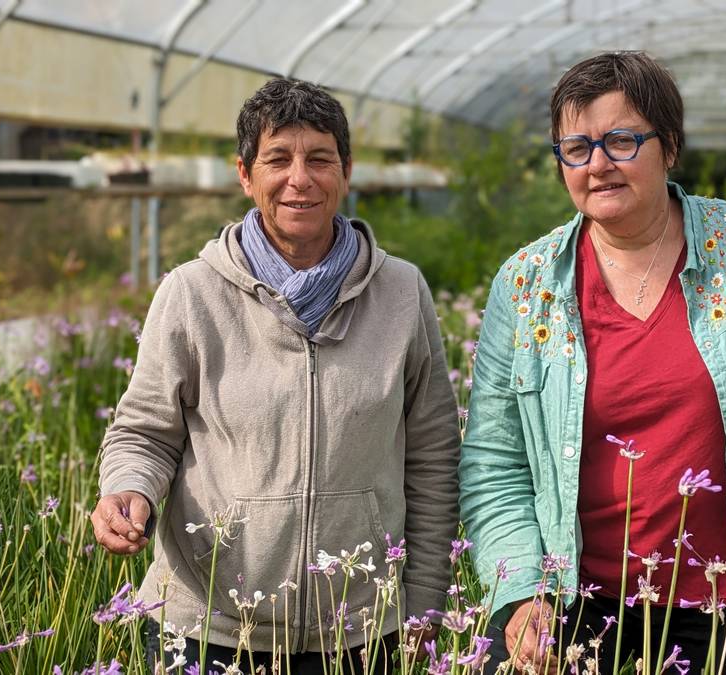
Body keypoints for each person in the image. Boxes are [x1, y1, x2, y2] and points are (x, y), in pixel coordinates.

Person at [459, 52, 726, 674]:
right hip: (574, 608)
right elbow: (494, 461)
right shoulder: (528, 283)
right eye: (576, 147)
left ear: (669, 147)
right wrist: (520, 590)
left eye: (621, 140)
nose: (599, 165)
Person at [90, 78, 460, 672]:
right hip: (209, 629)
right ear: (245, 174)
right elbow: (145, 432)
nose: (300, 178)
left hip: (362, 630)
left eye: (320, 158)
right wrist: (128, 488)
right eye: (278, 159)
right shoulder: (192, 293)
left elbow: (434, 457)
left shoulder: (401, 292)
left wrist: (421, 607)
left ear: (346, 171)